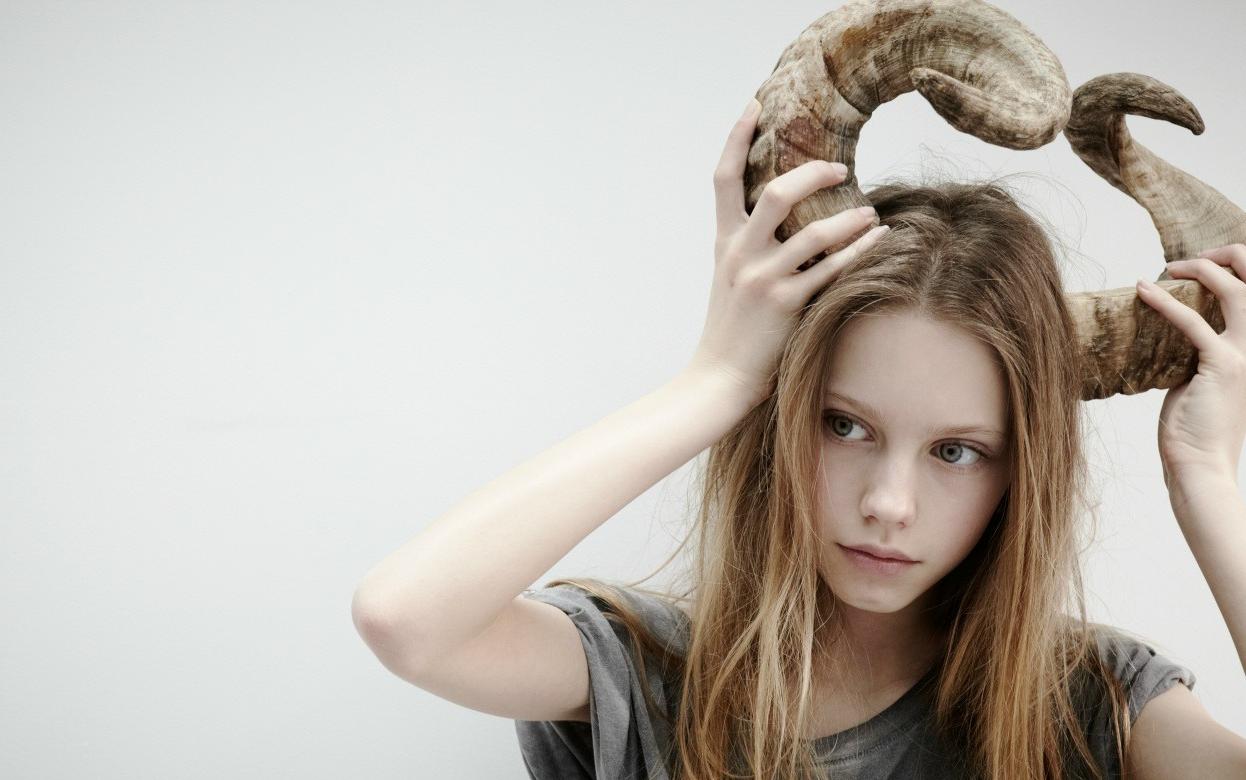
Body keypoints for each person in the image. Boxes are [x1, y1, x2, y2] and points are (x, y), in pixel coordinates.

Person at [351, 97, 1246, 778]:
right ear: (783, 416)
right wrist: (717, 379)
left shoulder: (1091, 701)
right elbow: (407, 622)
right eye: (844, 425)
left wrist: (1205, 473)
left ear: (1023, 470)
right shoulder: (647, 670)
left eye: (956, 451)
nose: (888, 504)